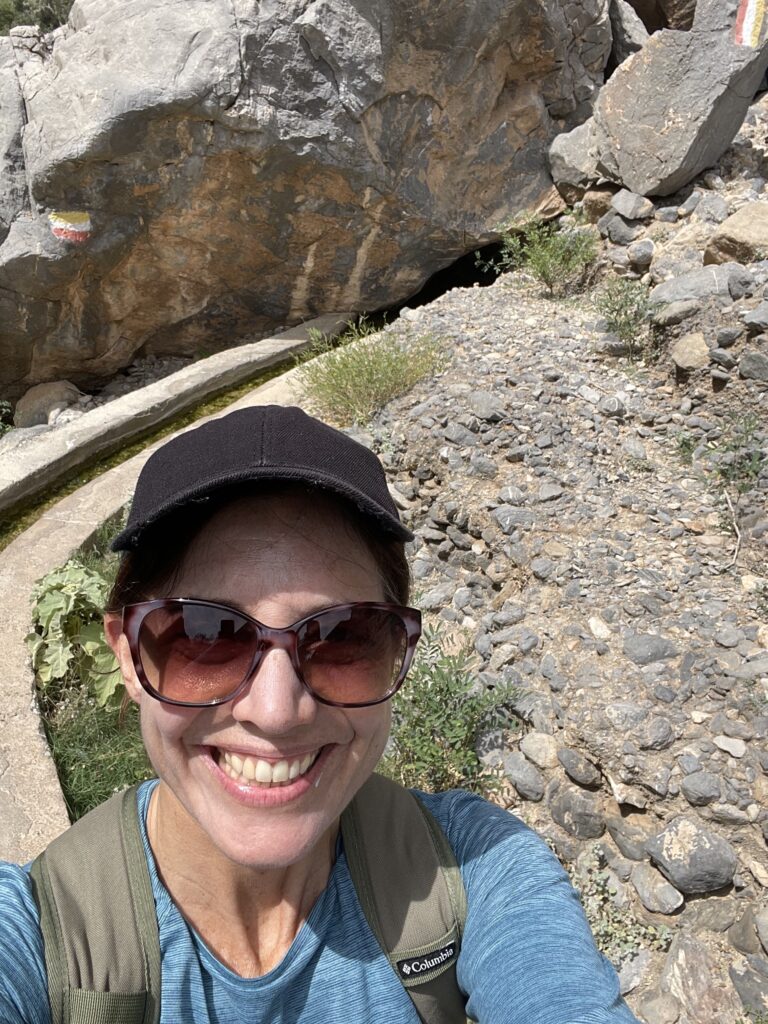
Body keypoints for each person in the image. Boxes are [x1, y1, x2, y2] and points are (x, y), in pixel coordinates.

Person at [0, 405, 639, 1023]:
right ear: (129, 656)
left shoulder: (474, 867)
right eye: (205, 634)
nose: (277, 713)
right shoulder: (35, 933)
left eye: (343, 638)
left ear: (396, 652)